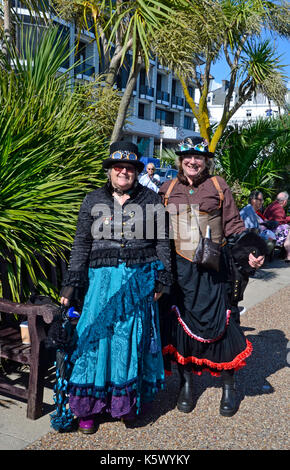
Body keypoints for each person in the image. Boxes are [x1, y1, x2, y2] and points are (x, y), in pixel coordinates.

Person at [59, 141, 172, 434]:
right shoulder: (92, 199)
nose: (124, 172)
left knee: (129, 341)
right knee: (93, 339)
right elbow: (81, 244)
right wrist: (71, 286)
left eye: (130, 168)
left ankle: (123, 405)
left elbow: (162, 242)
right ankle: (88, 409)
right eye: (118, 167)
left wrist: (163, 278)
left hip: (138, 280)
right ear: (109, 170)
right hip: (101, 283)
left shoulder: (151, 200)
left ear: (136, 172)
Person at [158, 137, 265, 417]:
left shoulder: (218, 185)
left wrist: (252, 251)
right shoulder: (167, 188)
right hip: (180, 274)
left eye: (199, 157)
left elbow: (234, 225)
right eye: (188, 156)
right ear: (180, 159)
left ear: (206, 161)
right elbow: (156, 230)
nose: (193, 161)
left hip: (214, 271)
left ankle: (229, 386)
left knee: (223, 323)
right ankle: (187, 385)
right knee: (180, 326)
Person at [240, 190, 276, 256]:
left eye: (262, 200)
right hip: (247, 242)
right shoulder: (249, 212)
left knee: (270, 237)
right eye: (260, 200)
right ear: (253, 200)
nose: (262, 202)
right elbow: (251, 232)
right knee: (270, 241)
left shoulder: (251, 210)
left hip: (249, 238)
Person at [263, 192, 290, 262]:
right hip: (272, 231)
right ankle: (288, 253)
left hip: (268, 229)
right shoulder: (279, 208)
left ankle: (285, 252)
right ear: (285, 201)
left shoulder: (272, 205)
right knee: (287, 229)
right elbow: (280, 221)